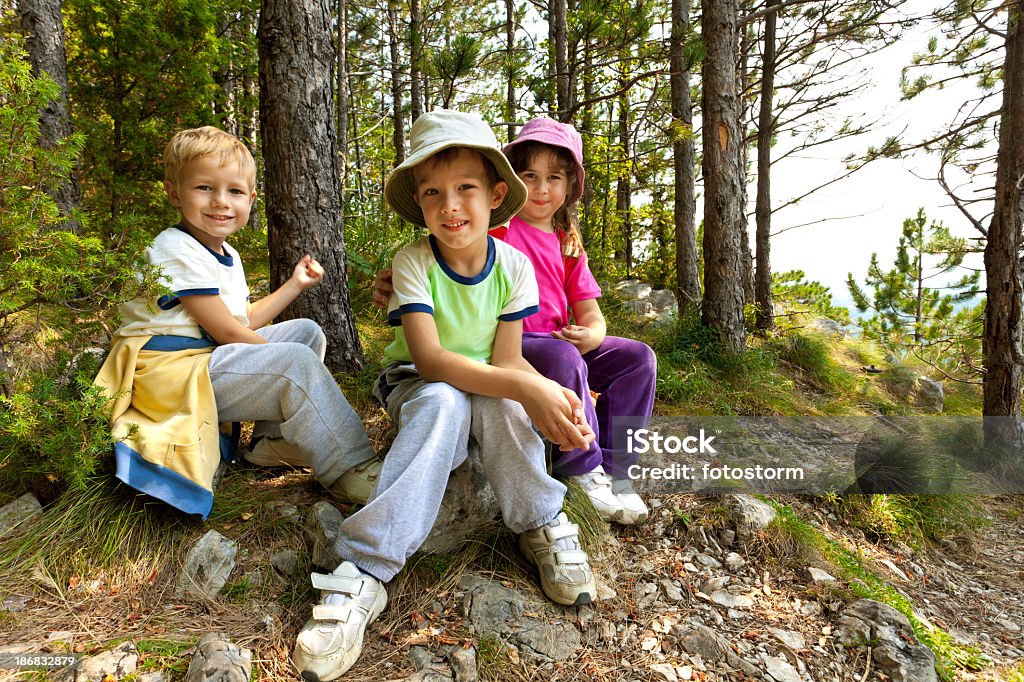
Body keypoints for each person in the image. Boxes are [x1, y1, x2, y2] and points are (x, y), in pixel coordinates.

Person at [293, 110, 599, 681]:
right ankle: (364, 566)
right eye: (433, 192)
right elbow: (431, 360)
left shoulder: (513, 266)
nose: (450, 205)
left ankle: (539, 519)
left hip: (488, 378)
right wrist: (534, 385)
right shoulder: (413, 262)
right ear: (419, 201)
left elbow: (505, 363)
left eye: (466, 189)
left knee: (503, 402)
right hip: (416, 378)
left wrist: (526, 388)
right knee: (443, 401)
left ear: (495, 194)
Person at [374, 117, 657, 525]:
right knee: (561, 357)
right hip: (521, 342)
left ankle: (617, 467)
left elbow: (591, 311)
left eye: (554, 178)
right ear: (507, 186)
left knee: (638, 358)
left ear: (570, 187)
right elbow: (453, 262)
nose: (542, 189)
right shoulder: (499, 232)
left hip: (559, 341)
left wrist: (592, 334)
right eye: (531, 176)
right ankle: (582, 463)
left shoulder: (568, 244)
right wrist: (396, 283)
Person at [95, 126, 381, 519]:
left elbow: (241, 320)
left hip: (203, 359)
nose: (220, 202)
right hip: (173, 376)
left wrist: (295, 285)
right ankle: (350, 468)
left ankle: (270, 442)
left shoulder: (226, 252)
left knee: (305, 332)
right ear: (175, 192)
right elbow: (228, 333)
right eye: (204, 188)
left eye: (234, 191)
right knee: (295, 362)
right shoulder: (175, 248)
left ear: (250, 198)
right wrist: (292, 365)